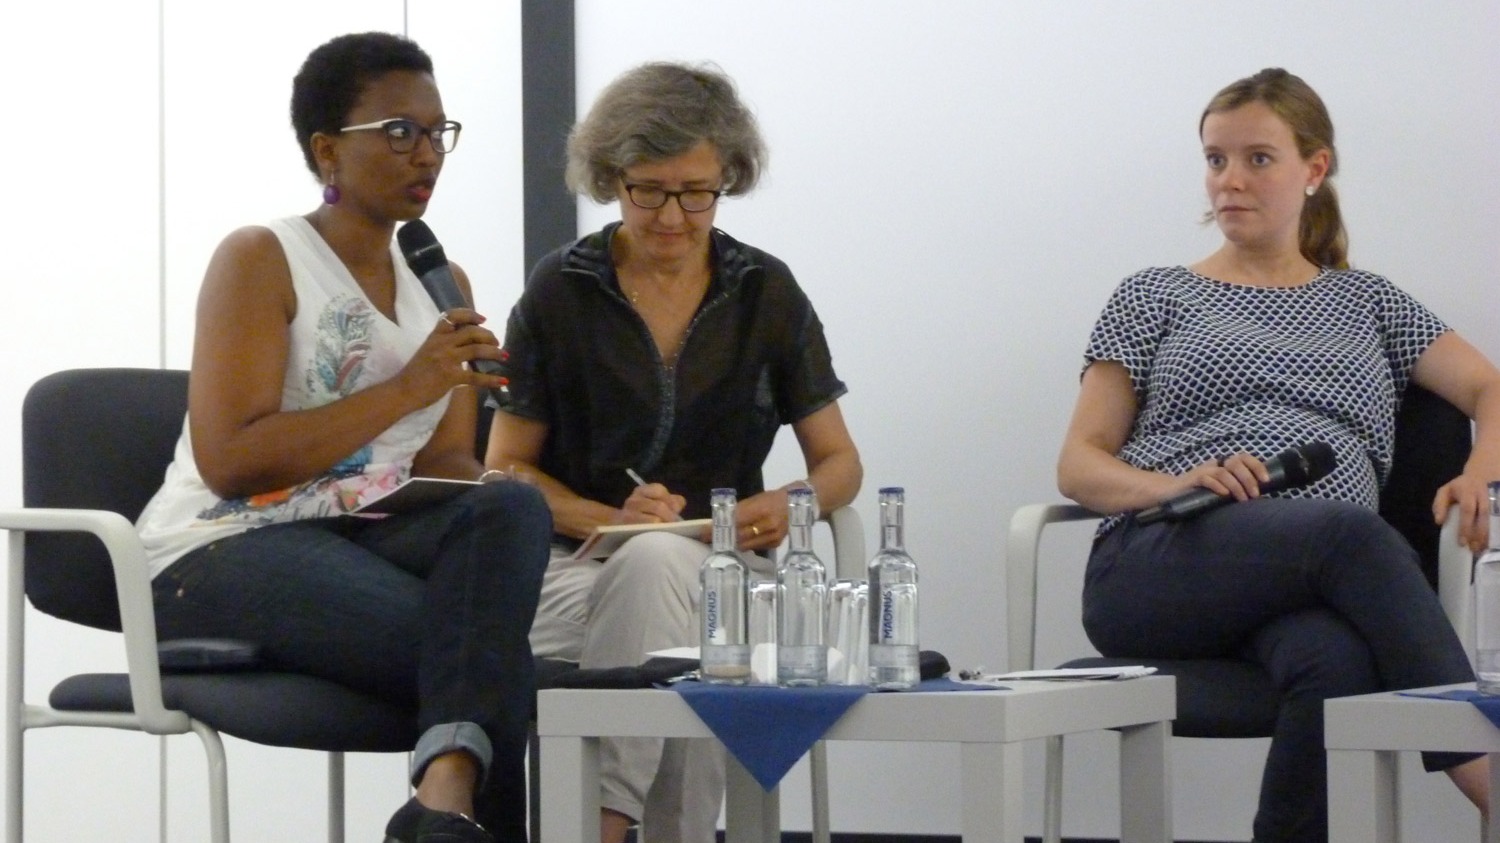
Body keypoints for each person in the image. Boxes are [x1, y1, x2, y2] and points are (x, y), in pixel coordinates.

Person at [1056, 67, 1500, 842]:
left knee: (1336, 663)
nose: (1230, 181)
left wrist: (1480, 471)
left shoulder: (1369, 302)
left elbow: (1489, 388)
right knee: (1352, 534)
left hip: (1306, 587)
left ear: (1315, 169)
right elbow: (1079, 464)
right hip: (1164, 554)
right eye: (1215, 159)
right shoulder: (1154, 294)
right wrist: (1173, 483)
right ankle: (1491, 784)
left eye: (1257, 158)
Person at [134, 32, 550, 843]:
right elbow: (230, 461)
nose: (426, 153)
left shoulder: (444, 283)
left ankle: (440, 805)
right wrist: (408, 386)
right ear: (328, 150)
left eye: (438, 132)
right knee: (484, 653)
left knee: (511, 513)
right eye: (400, 132)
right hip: (223, 546)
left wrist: (514, 492)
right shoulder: (262, 257)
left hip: (364, 535)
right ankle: (451, 811)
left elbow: (443, 465)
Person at [485, 61, 862, 843]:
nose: (671, 216)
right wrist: (612, 517)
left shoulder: (766, 290)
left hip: (730, 569)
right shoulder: (561, 289)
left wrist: (790, 505)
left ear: (727, 180)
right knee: (673, 599)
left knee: (682, 596)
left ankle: (596, 823)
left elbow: (839, 464)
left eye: (697, 192)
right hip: (574, 572)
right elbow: (504, 468)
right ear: (610, 177)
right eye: (647, 190)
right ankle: (624, 826)